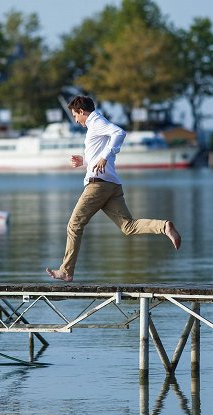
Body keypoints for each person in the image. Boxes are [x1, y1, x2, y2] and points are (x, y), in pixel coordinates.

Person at [46, 95, 181, 282]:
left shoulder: (96, 121)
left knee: (74, 225)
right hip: (111, 184)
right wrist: (85, 160)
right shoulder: (96, 124)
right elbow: (101, 148)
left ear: (82, 111)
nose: (75, 120)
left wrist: (105, 157)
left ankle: (66, 271)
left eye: (75, 115)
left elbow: (119, 133)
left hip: (98, 185)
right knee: (128, 226)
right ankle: (163, 226)